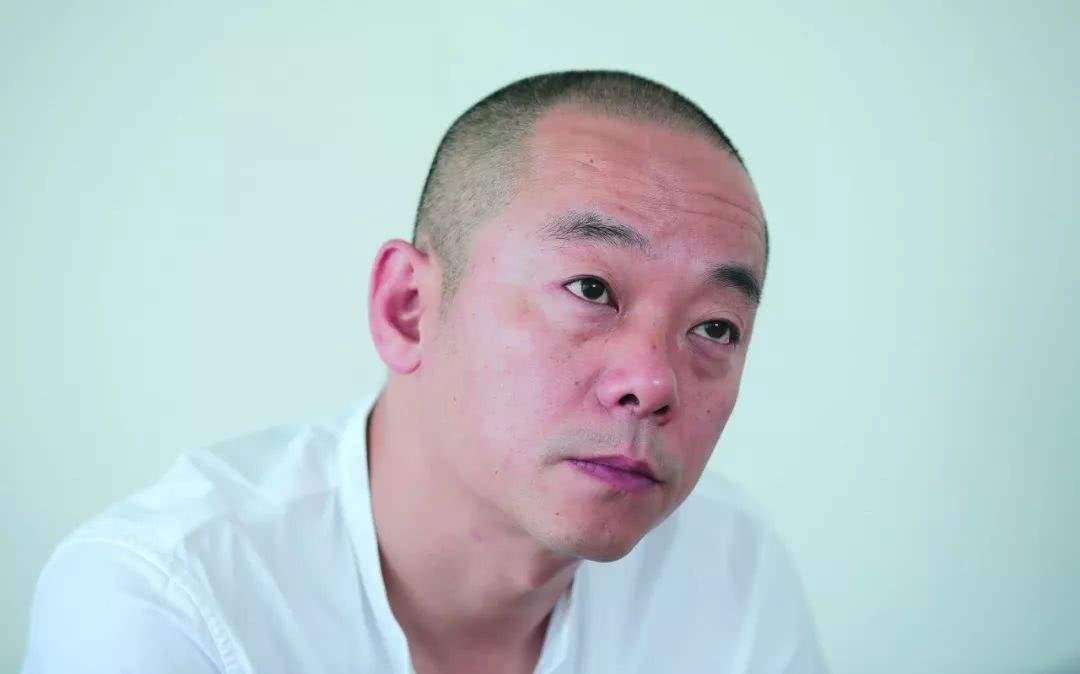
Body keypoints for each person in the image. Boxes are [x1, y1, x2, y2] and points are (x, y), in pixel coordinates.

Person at [21, 70, 827, 674]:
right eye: (591, 289)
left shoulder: (728, 569)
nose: (653, 384)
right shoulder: (168, 600)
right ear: (408, 308)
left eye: (715, 328)